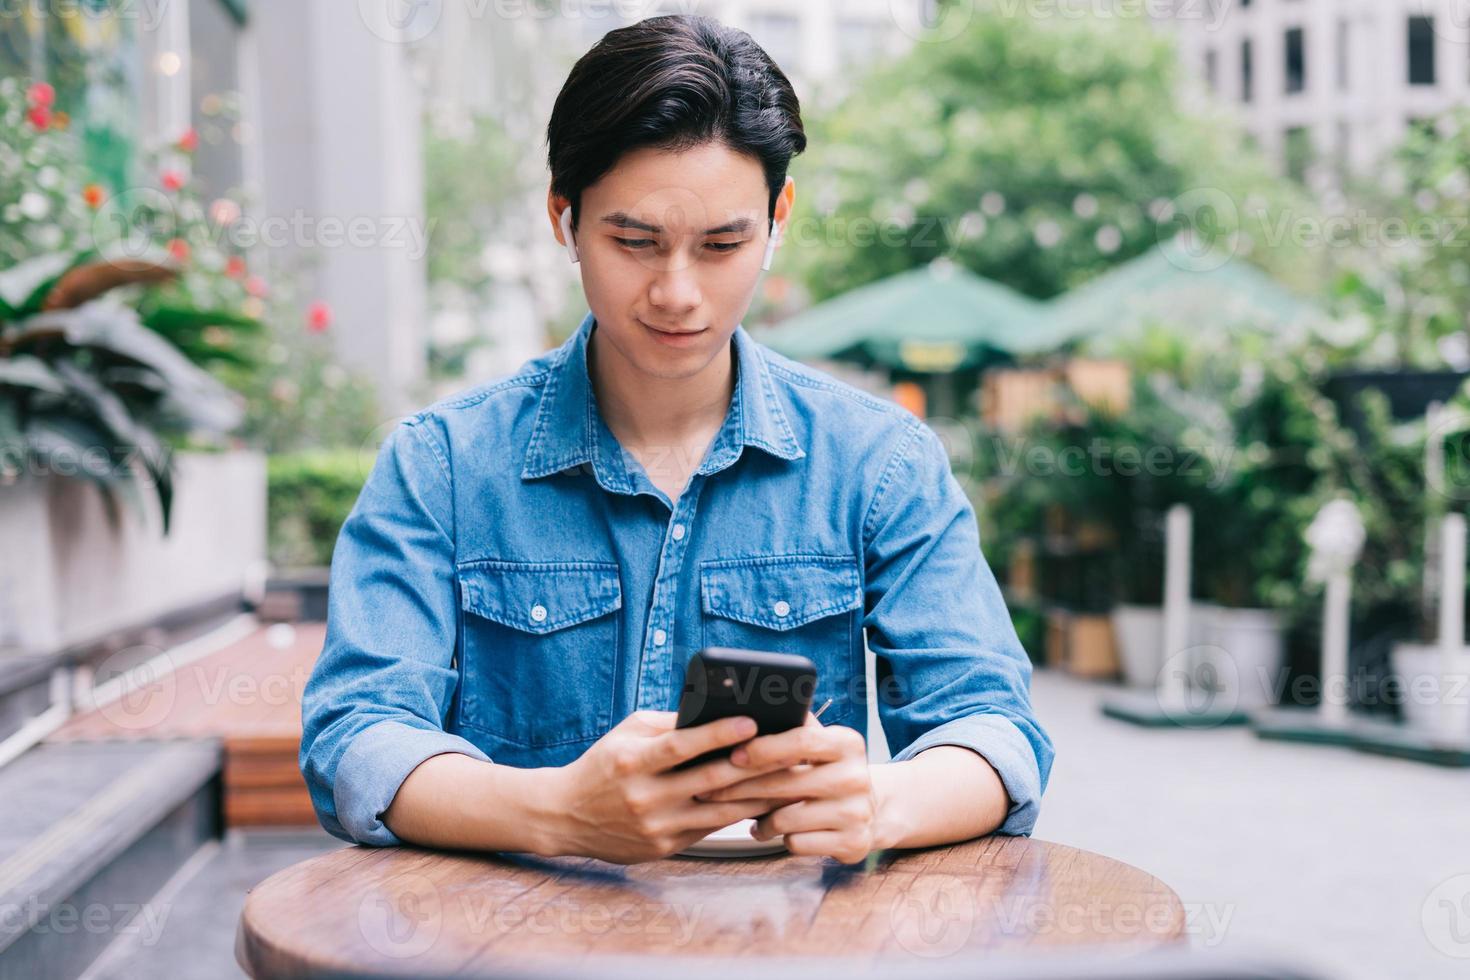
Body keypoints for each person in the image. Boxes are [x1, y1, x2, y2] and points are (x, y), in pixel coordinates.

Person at [299, 13, 1053, 866]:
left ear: (779, 218)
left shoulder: (879, 465)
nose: (677, 293)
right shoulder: (441, 466)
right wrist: (555, 813)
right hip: (509, 946)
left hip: (792, 946)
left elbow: (995, 728)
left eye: (723, 243)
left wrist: (881, 801)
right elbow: (355, 737)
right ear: (564, 216)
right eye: (634, 241)